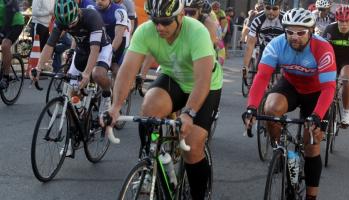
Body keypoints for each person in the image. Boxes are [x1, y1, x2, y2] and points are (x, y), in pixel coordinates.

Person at [103, 0, 223, 199]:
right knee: (148, 111)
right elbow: (127, 71)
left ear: (181, 16)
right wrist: (115, 107)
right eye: (155, 20)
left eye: (166, 22)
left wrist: (189, 113)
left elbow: (202, 80)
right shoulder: (145, 31)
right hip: (174, 78)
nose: (159, 27)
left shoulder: (198, 32)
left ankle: (198, 195)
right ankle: (150, 162)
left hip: (205, 85)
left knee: (192, 148)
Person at [243, 8, 336, 200]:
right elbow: (261, 77)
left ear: (311, 32)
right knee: (270, 108)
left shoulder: (323, 48)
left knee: (311, 144)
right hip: (291, 85)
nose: (294, 37)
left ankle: (311, 196)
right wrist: (251, 107)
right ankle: (280, 149)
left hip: (316, 92)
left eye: (300, 32)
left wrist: (317, 116)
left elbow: (328, 88)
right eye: (290, 32)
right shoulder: (277, 45)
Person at [31, 0, 113, 156]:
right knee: (70, 96)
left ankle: (107, 95)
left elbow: (95, 49)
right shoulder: (63, 21)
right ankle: (72, 137)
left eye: (72, 23)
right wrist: (38, 67)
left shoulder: (91, 17)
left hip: (101, 49)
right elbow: (49, 45)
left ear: (77, 12)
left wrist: (87, 73)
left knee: (97, 74)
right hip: (82, 52)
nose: (69, 28)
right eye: (66, 26)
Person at [323, 5, 349, 127]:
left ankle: (346, 113)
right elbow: (323, 52)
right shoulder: (330, 29)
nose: (344, 24)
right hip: (332, 59)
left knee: (346, 79)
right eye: (341, 21)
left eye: (347, 21)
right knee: (323, 82)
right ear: (337, 20)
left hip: (348, 60)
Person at [242, 0, 285, 78]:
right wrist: (245, 66)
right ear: (264, 7)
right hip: (265, 48)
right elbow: (250, 44)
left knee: (283, 77)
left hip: (281, 49)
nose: (271, 12)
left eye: (275, 9)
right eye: (268, 8)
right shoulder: (258, 19)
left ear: (280, 8)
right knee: (260, 73)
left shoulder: (285, 20)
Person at [95, 0, 131, 80]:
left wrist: (110, 54)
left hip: (120, 38)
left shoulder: (119, 11)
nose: (99, 1)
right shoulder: (92, 9)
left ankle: (117, 89)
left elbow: (118, 37)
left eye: (103, 0)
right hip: (104, 37)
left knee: (114, 66)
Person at [0, 0, 24, 90]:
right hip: (2, 25)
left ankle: (6, 77)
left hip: (15, 23)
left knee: (5, 45)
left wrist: (2, 33)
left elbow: (10, 11)